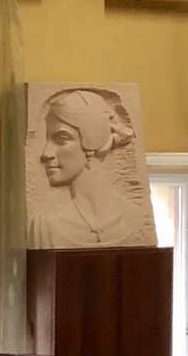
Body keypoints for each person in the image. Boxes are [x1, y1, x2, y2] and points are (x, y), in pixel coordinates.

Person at [30, 87, 155, 248]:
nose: (46, 153)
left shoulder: (136, 219)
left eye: (62, 139)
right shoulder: (45, 226)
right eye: (47, 140)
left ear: (92, 143)